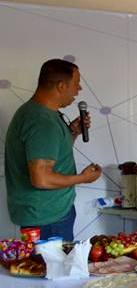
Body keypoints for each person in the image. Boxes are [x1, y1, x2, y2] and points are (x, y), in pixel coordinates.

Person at [4, 59, 101, 240]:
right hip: (47, 219)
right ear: (61, 86)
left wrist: (72, 133)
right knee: (54, 268)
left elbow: (50, 156)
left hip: (46, 215)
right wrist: (83, 178)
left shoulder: (37, 113)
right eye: (76, 84)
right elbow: (41, 178)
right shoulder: (41, 122)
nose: (79, 89)